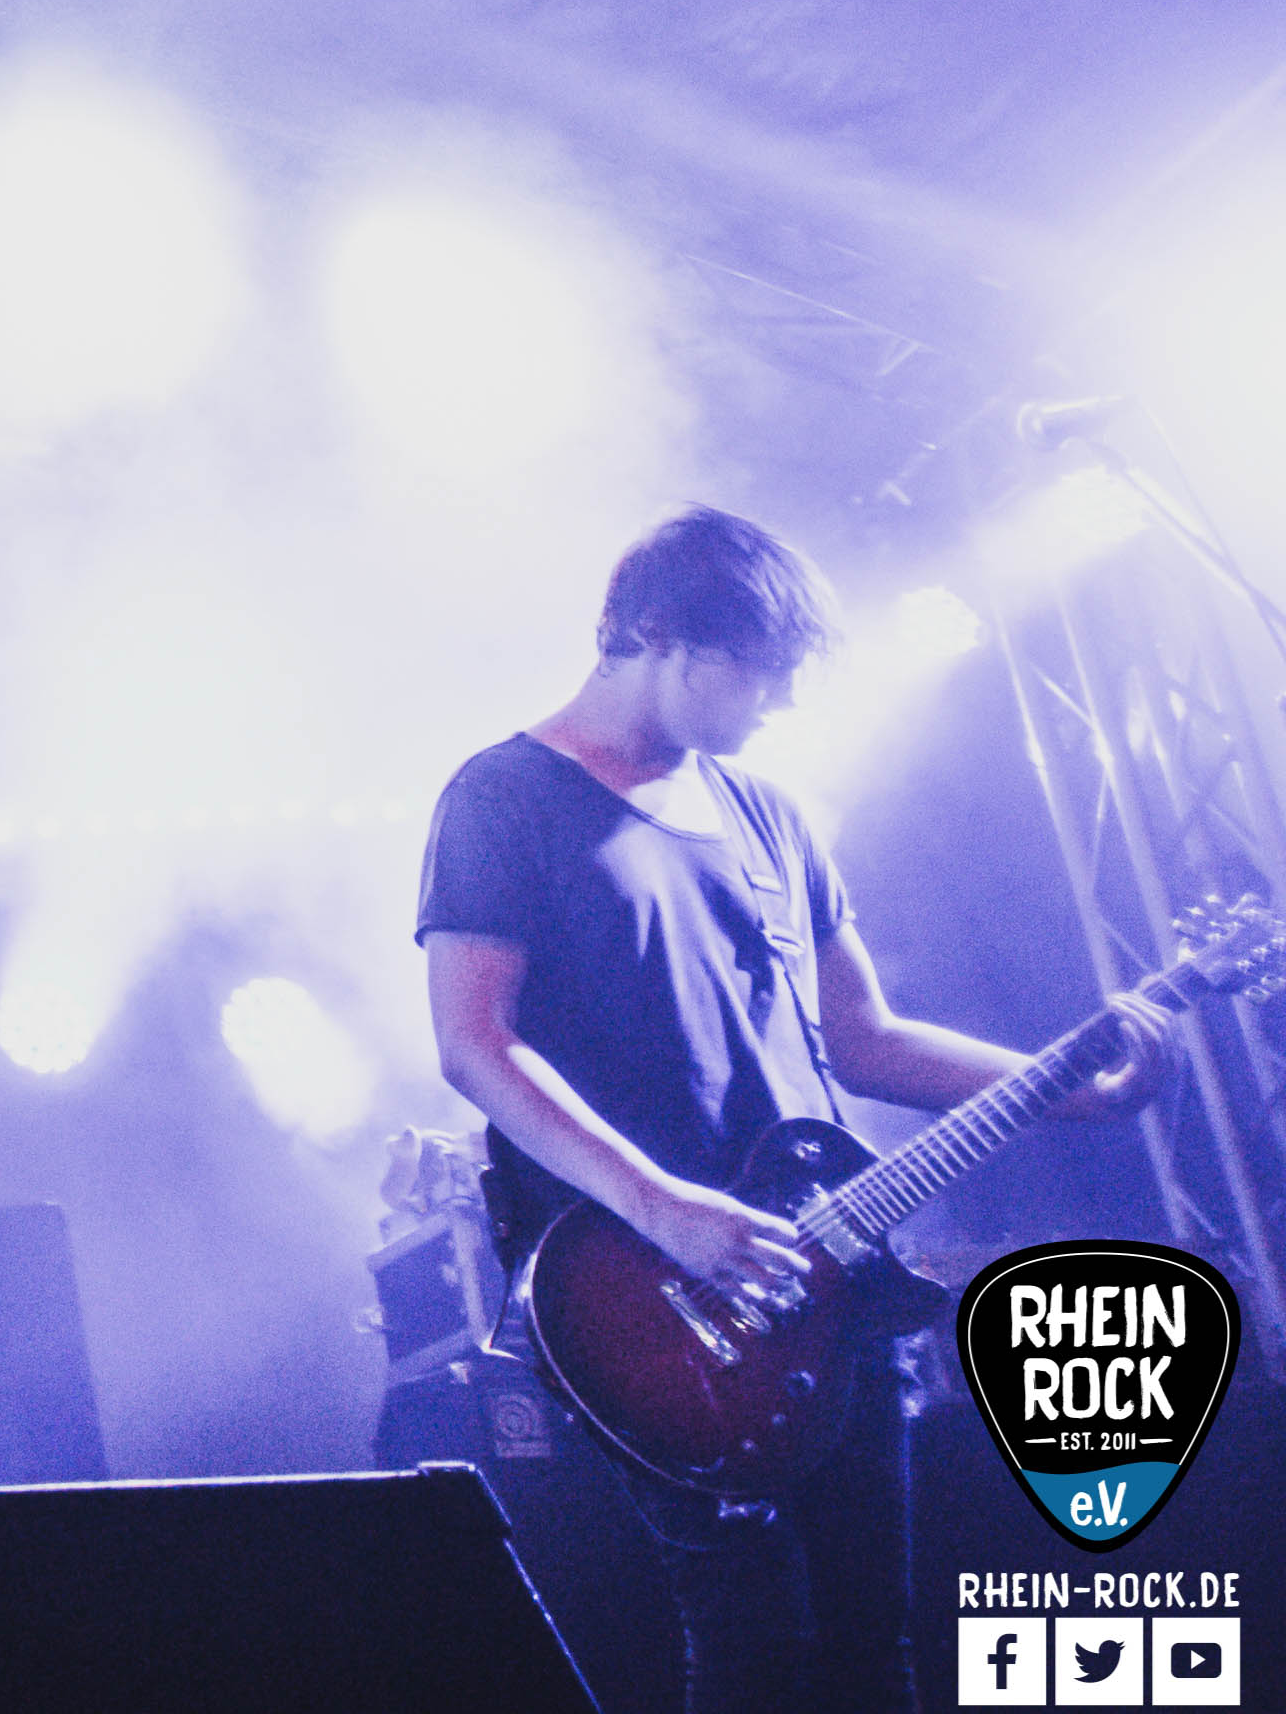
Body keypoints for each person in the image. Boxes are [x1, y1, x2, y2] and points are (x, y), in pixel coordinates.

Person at [420, 509, 1170, 1714]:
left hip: (827, 1276)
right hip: (648, 1293)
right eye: (760, 669)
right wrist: (667, 1210)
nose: (780, 700)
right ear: (660, 635)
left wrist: (1076, 1088)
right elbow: (475, 1045)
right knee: (752, 1634)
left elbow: (863, 1038)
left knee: (877, 1644)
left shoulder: (767, 813)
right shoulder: (502, 798)